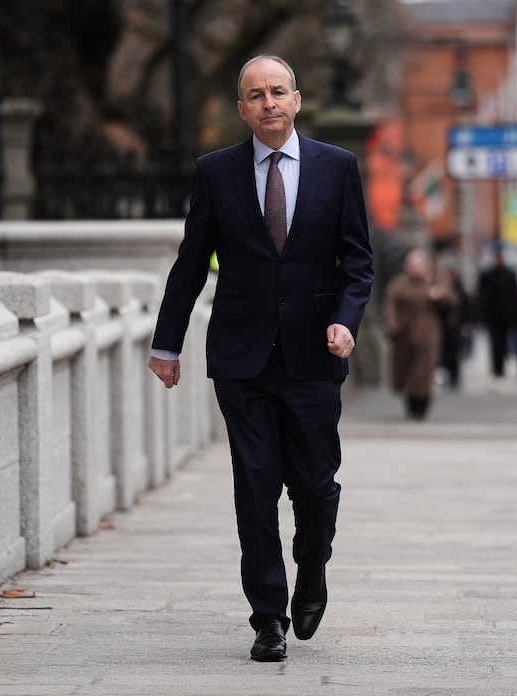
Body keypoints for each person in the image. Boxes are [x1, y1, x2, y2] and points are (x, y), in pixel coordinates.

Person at [147, 55, 373, 663]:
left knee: (316, 487)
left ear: (298, 100)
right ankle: (267, 615)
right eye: (256, 95)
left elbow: (358, 261)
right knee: (253, 487)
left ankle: (313, 570)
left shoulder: (338, 167)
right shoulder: (216, 173)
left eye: (278, 92)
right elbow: (191, 262)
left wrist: (345, 322)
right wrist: (166, 344)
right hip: (242, 358)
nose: (269, 103)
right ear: (241, 109)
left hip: (314, 357)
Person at [384, 250, 457, 419]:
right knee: (405, 370)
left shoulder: (434, 282)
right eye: (411, 265)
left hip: (428, 333)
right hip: (404, 333)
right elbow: (390, 306)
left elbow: (453, 301)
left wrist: (440, 296)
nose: (414, 268)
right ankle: (410, 400)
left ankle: (422, 404)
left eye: (418, 265)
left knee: (423, 372)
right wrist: (393, 326)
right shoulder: (398, 284)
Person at [477, 247, 517, 380]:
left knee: (503, 342)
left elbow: (515, 296)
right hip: (493, 315)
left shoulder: (510, 274)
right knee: (495, 342)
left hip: (506, 315)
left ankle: (501, 367)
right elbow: (481, 295)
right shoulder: (488, 275)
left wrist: (514, 314)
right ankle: (496, 368)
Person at [438, 266, 470, 391]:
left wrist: (466, 324)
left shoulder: (459, 290)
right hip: (445, 327)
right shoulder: (443, 289)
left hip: (456, 327)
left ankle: (455, 377)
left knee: (455, 353)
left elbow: (465, 308)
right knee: (444, 354)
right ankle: (447, 377)